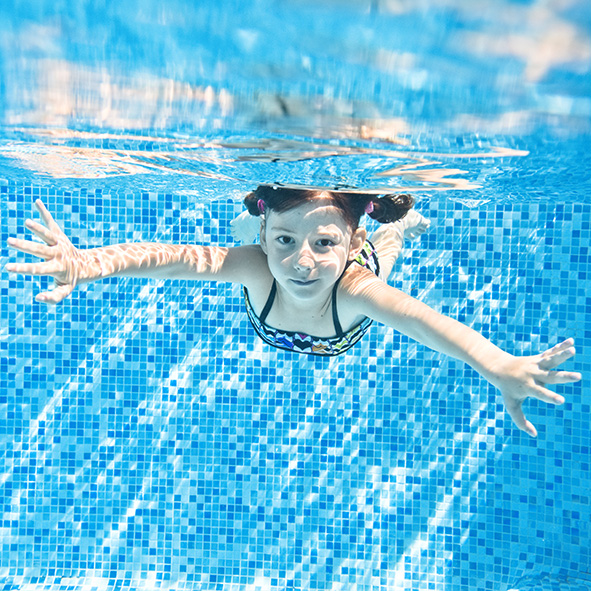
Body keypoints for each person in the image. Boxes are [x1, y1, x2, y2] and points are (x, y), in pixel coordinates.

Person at [5, 184, 581, 437]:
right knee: (238, 251)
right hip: (272, 273)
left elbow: (424, 323)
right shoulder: (261, 265)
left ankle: (395, 226)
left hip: (346, 295)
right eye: (285, 241)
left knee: (387, 253)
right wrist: (87, 264)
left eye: (324, 242)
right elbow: (174, 259)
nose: (303, 261)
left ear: (347, 241)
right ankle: (262, 222)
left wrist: (495, 364)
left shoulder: (354, 286)